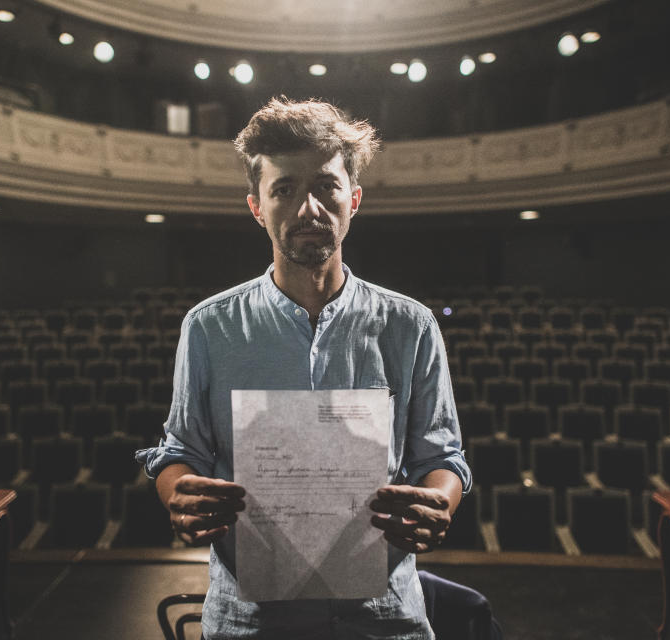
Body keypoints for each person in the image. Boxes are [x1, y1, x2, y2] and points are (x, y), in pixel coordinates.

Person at [136, 96, 471, 639]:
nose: (308, 208)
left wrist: (439, 502)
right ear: (257, 207)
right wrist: (178, 492)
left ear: (354, 199)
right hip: (251, 618)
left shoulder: (411, 325)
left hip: (383, 614)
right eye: (284, 189)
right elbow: (180, 452)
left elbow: (443, 457)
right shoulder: (208, 326)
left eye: (325, 186)